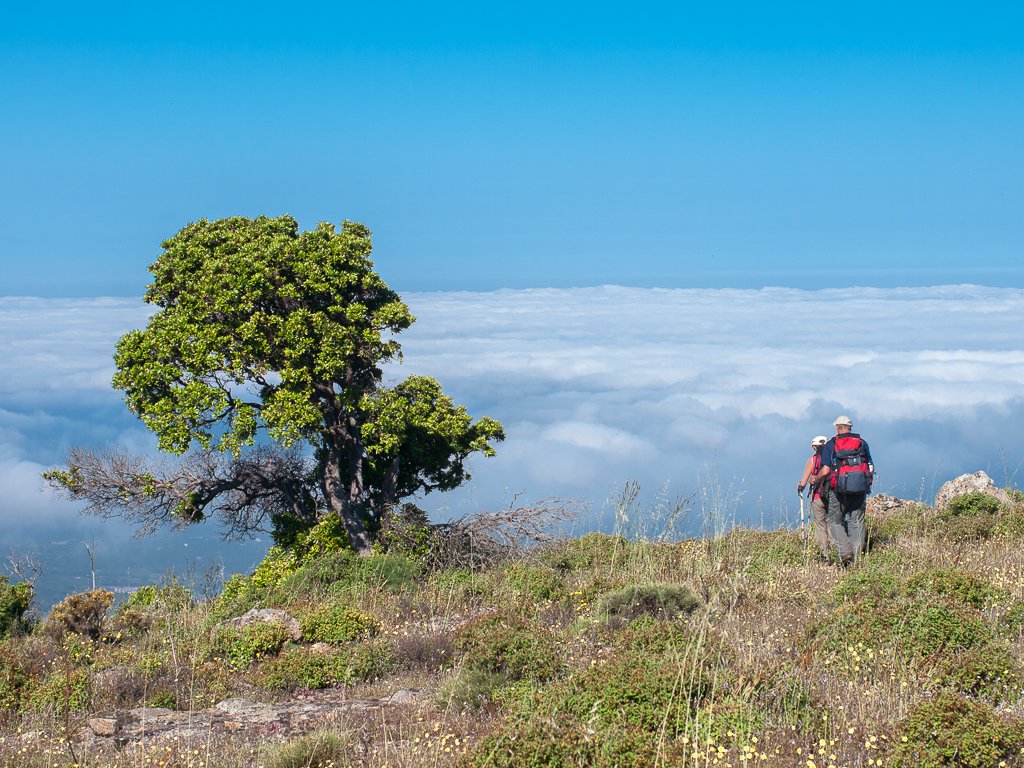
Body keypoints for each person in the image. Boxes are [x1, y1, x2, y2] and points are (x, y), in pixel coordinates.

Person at [809, 416, 874, 566]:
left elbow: (825, 471)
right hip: (860, 489)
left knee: (834, 521)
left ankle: (845, 553)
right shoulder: (862, 444)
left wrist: (815, 480)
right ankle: (856, 560)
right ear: (850, 427)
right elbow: (870, 467)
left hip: (838, 491)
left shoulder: (831, 445)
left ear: (837, 427)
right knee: (856, 522)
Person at [798, 436, 832, 559]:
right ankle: (836, 550)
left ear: (815, 447)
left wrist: (800, 487)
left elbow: (803, 482)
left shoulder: (812, 460)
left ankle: (825, 553)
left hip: (818, 495)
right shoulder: (833, 458)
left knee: (820, 525)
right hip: (833, 495)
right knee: (833, 523)